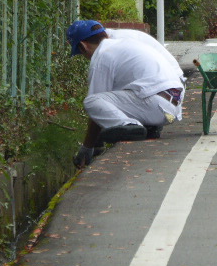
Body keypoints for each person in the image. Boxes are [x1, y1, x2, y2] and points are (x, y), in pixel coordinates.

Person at [66, 20, 185, 167]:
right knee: (121, 93)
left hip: (156, 103)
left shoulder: (103, 55)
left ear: (83, 46)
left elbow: (97, 105)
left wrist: (87, 147)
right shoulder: (124, 43)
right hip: (173, 104)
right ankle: (145, 127)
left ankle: (129, 126)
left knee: (91, 101)